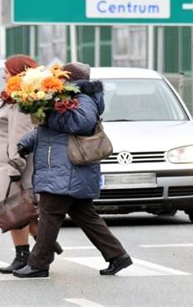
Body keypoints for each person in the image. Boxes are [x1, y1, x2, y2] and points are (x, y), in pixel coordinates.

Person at [13, 62, 132, 278]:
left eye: (62, 76)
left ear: (70, 78)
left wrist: (50, 112)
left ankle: (39, 263)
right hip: (63, 167)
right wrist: (27, 142)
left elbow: (81, 124)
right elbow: (51, 132)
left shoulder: (84, 99)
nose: (58, 79)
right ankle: (117, 255)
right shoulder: (64, 98)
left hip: (68, 168)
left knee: (50, 214)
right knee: (85, 216)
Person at [0, 54, 62, 274]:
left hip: (13, 167)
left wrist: (13, 168)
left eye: (7, 71)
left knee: (15, 212)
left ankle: (25, 255)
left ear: (18, 74)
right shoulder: (12, 98)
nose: (3, 75)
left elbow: (18, 139)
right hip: (6, 165)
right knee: (21, 212)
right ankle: (44, 244)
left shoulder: (20, 103)